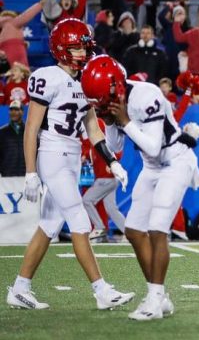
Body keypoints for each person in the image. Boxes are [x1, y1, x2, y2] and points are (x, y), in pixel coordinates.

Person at [6, 19, 134, 311]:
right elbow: (31, 128)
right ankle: (101, 291)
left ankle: (20, 288)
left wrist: (112, 162)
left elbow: (93, 128)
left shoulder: (84, 78)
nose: (82, 52)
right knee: (79, 221)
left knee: (49, 224)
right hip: (52, 153)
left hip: (73, 155)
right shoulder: (48, 76)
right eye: (76, 47)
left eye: (84, 47)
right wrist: (30, 172)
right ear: (62, 48)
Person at [81, 55, 199, 320]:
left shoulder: (147, 95)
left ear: (116, 87)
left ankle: (155, 299)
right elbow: (115, 148)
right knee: (135, 231)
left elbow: (153, 145)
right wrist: (112, 123)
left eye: (102, 99)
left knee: (158, 228)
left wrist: (124, 121)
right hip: (152, 167)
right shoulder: (115, 103)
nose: (100, 105)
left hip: (175, 161)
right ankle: (160, 296)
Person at [81, 118, 126, 239]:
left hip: (106, 178)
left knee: (86, 200)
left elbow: (115, 150)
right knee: (111, 209)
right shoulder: (92, 144)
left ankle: (99, 227)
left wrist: (111, 163)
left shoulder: (102, 138)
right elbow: (90, 151)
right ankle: (130, 232)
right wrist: (85, 156)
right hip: (107, 178)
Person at [0, 100, 25, 176]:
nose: (13, 112)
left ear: (22, 112)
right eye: (11, 110)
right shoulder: (2, 132)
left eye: (16, 110)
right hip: (7, 176)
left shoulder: (29, 132)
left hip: (25, 175)